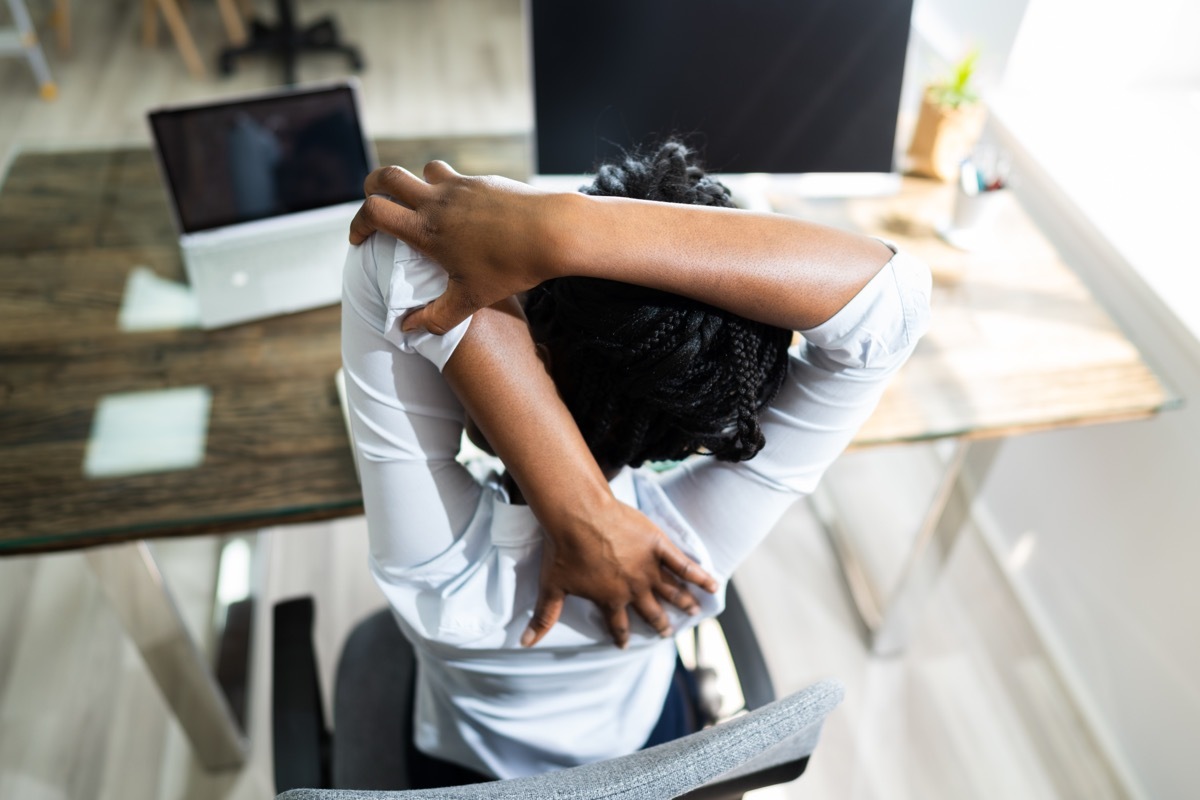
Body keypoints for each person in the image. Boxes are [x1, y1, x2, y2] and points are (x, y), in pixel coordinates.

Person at [340, 141, 931, 785]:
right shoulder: (684, 559)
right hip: (652, 761)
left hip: (460, 775)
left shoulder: (442, 575)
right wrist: (559, 233)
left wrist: (554, 225)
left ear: (530, 336)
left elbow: (397, 236)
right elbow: (889, 303)